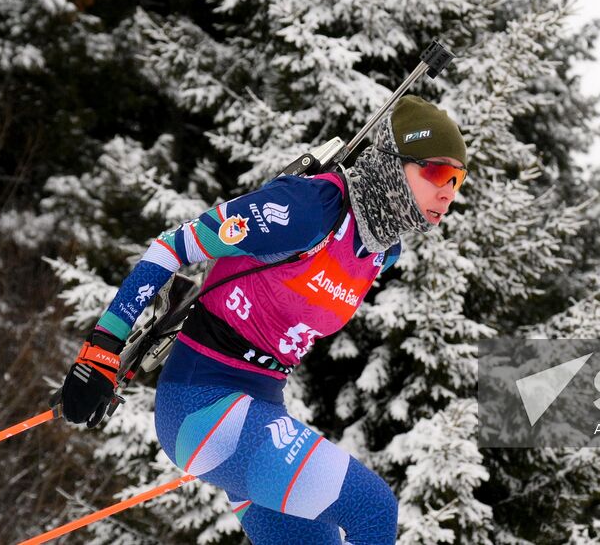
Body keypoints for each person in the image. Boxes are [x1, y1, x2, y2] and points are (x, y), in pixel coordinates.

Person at [56, 96, 468, 545]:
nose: (448, 191)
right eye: (435, 172)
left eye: (457, 179)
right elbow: (171, 248)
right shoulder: (308, 210)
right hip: (202, 407)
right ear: (391, 162)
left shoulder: (381, 251)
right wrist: (102, 349)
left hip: (259, 409)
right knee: (373, 509)